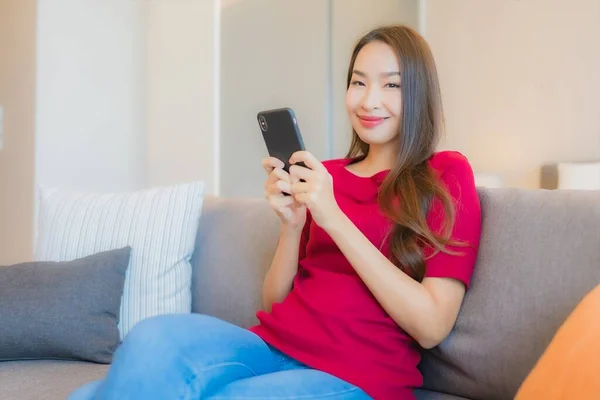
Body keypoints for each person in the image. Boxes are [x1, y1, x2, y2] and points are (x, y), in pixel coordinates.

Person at [69, 24, 482, 400]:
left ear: (419, 93)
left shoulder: (445, 174)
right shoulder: (328, 175)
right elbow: (275, 302)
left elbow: (432, 326)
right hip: (269, 346)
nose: (369, 100)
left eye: (391, 85)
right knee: (153, 338)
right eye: (358, 82)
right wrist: (293, 224)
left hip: (360, 376)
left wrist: (334, 218)